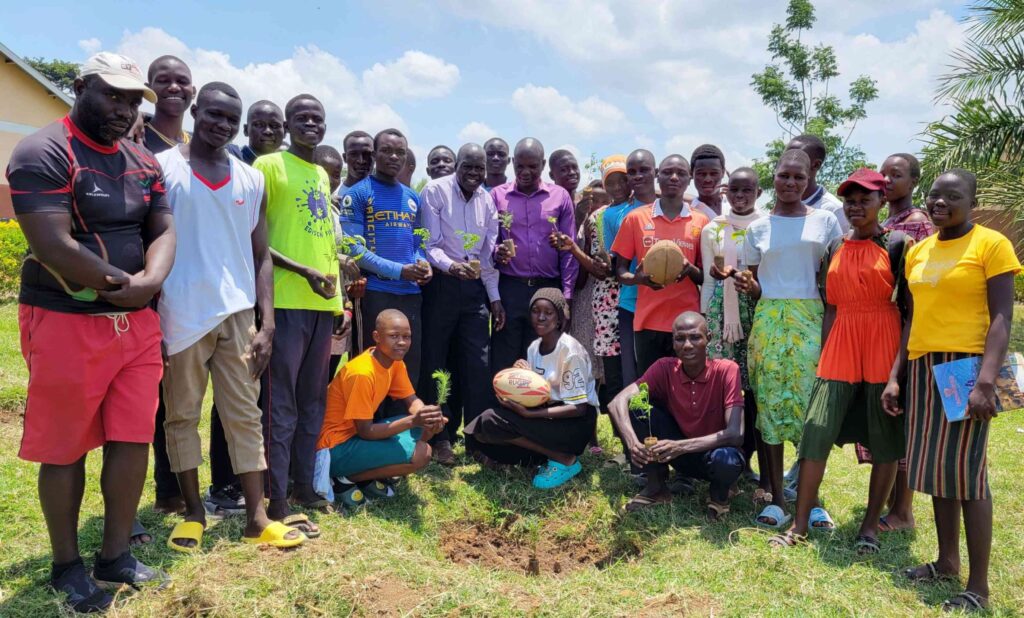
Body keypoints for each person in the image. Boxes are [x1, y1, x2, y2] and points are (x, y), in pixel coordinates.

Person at [7, 52, 173, 612]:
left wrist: (149, 281)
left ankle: (116, 554)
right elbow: (50, 243)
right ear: (80, 87)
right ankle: (66, 565)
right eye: (112, 95)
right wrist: (119, 284)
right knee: (67, 446)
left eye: (132, 100)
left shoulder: (142, 161)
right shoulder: (44, 150)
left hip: (138, 323)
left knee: (132, 437)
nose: (123, 109)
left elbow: (162, 227)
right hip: (65, 320)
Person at [156, 82, 304, 552]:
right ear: (196, 112)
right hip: (180, 311)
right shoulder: (164, 168)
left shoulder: (250, 178)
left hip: (239, 314)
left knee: (243, 414)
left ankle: (257, 517)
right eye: (213, 115)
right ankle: (194, 513)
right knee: (182, 415)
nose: (221, 125)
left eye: (230, 119)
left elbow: (261, 255)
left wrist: (268, 322)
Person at [884, 169, 1019, 612]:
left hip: (967, 369)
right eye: (935, 197)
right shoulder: (918, 250)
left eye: (953, 196)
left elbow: (1002, 316)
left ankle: (977, 587)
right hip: (924, 367)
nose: (941, 203)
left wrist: (985, 380)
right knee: (939, 471)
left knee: (968, 475)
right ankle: (946, 562)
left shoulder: (990, 244)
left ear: (972, 202)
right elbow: (911, 317)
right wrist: (896, 374)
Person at [769, 168, 909, 551]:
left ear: (882, 202)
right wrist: (825, 353)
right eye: (850, 200)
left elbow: (908, 311)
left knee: (885, 438)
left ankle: (868, 526)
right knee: (816, 429)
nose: (856, 206)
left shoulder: (897, 244)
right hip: (841, 343)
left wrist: (898, 373)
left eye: (866, 199)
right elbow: (830, 306)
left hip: (882, 340)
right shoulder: (836, 246)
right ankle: (799, 525)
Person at [737, 149, 842, 529]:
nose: (791, 183)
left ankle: (811, 502)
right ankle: (778, 500)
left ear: (809, 178)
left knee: (810, 413)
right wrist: (748, 285)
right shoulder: (758, 228)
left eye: (798, 177)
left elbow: (832, 280)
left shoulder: (827, 222)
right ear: (774, 178)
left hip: (811, 320)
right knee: (769, 408)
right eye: (784, 176)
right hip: (769, 324)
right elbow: (755, 286)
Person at [253, 93, 342, 537]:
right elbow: (252, 236)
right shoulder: (268, 166)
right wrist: (301, 271)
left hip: (322, 305)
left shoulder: (322, 174)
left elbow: (322, 240)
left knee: (313, 402)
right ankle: (278, 497)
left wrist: (337, 299)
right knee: (280, 405)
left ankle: (305, 487)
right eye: (302, 118)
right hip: (285, 302)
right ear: (287, 124)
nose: (311, 124)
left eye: (318, 118)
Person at [857, 152, 935, 533]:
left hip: (904, 331)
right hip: (883, 330)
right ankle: (892, 503)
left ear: (913, 182)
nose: (887, 179)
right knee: (888, 417)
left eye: (897, 174)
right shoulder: (886, 222)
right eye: (883, 172)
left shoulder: (916, 225)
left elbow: (912, 290)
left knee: (900, 418)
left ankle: (902, 510)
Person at [609, 312, 745, 517]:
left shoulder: (727, 370)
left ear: (708, 337)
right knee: (636, 406)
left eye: (695, 337)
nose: (687, 345)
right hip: (676, 454)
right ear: (673, 342)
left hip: (712, 455)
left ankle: (720, 495)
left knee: (727, 460)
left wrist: (679, 446)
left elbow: (735, 434)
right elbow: (617, 401)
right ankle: (656, 487)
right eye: (680, 339)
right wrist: (632, 443)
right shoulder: (664, 368)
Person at [465, 288, 598, 489]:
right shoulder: (534, 348)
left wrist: (527, 415)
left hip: (576, 424)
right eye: (536, 311)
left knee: (491, 420)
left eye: (548, 312)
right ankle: (542, 456)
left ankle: (563, 458)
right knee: (482, 436)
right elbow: (540, 392)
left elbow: (579, 408)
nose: (541, 317)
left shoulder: (570, 351)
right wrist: (522, 380)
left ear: (560, 318)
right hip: (546, 415)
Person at [420, 143, 501, 465]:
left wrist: (494, 298)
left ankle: (477, 440)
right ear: (457, 165)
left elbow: (487, 256)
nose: (473, 174)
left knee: (478, 366)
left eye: (478, 169)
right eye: (467, 166)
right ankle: (441, 438)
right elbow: (429, 244)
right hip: (441, 285)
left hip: (473, 292)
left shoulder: (487, 201)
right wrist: (452, 267)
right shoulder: (435, 192)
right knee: (437, 364)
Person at [317, 310, 446, 502]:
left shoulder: (393, 362)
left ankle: (364, 472)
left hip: (353, 438)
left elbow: (411, 400)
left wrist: (428, 416)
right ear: (377, 337)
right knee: (422, 454)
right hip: (332, 448)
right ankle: (344, 479)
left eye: (407, 337)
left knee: (423, 428)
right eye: (394, 336)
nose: (402, 342)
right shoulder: (361, 373)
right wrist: (413, 420)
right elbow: (366, 432)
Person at [345, 129, 431, 391]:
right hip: (375, 293)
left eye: (400, 152)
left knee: (408, 366)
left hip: (410, 295)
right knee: (372, 366)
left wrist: (422, 264)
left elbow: (419, 244)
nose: (394, 157)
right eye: (387, 151)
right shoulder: (359, 193)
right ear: (374, 155)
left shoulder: (412, 197)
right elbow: (353, 249)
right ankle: (368, 427)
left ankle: (401, 427)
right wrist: (398, 271)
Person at [700, 167, 767, 492]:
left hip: (756, 312)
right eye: (734, 191)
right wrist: (704, 318)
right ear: (725, 193)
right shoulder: (713, 229)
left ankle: (750, 459)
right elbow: (707, 279)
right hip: (720, 317)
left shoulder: (767, 226)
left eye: (747, 191)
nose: (740, 197)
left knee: (753, 389)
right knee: (724, 388)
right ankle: (724, 456)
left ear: (758, 193)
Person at [612, 155, 707, 375]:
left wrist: (689, 270)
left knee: (687, 389)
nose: (674, 177)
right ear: (657, 175)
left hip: (688, 324)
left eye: (681, 173)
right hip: (648, 321)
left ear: (689, 178)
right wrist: (639, 279)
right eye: (667, 172)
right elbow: (620, 272)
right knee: (649, 393)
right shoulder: (635, 218)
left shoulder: (701, 221)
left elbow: (704, 276)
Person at [490, 138, 579, 372]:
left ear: (542, 164)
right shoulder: (498, 196)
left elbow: (568, 251)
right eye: (520, 166)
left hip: (547, 289)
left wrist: (566, 296)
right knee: (505, 356)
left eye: (532, 166)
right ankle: (502, 408)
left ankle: (540, 408)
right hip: (510, 288)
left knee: (543, 358)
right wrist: (496, 252)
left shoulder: (560, 196)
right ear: (512, 164)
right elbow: (488, 241)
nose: (525, 172)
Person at [605, 149, 654, 386]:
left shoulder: (672, 205)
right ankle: (631, 424)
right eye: (631, 172)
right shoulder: (615, 214)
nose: (636, 177)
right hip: (630, 301)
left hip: (667, 303)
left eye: (643, 170)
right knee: (632, 376)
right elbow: (614, 263)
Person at [315, 145, 360, 379]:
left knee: (326, 374)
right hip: (309, 301)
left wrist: (345, 305)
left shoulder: (335, 208)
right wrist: (338, 257)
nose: (330, 180)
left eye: (335, 174)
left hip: (336, 301)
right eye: (323, 172)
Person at [785, 134, 848, 233]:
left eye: (797, 159)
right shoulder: (783, 204)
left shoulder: (834, 210)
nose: (788, 163)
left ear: (815, 165)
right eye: (787, 157)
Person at [143, 55, 194, 153]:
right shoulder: (135, 138)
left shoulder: (200, 146)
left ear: (193, 92)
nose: (174, 87)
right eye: (163, 81)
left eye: (182, 82)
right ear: (149, 90)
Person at [227, 100, 285, 165]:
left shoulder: (289, 165)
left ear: (284, 131)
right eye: (259, 125)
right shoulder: (229, 155)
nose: (268, 131)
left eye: (275, 126)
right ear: (246, 130)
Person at [690, 144, 730, 219]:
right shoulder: (688, 214)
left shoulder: (736, 204)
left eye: (714, 173)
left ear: (723, 173)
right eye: (701, 173)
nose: (708, 179)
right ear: (691, 174)